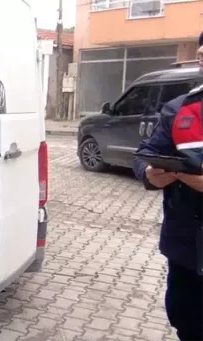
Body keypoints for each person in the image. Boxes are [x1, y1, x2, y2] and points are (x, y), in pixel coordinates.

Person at [133, 36, 203, 341]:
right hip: (186, 249)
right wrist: (149, 174)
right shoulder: (179, 109)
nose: (201, 54)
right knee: (187, 322)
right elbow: (144, 152)